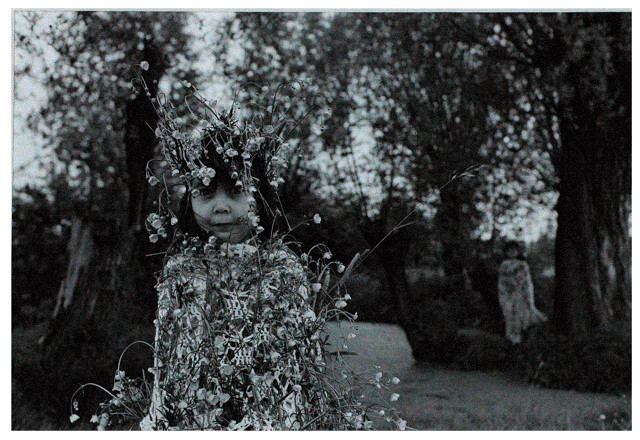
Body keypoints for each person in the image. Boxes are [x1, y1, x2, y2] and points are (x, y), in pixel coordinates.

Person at [497, 241, 547, 344]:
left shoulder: (523, 265)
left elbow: (527, 281)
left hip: (520, 293)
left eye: (514, 250)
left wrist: (527, 294)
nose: (512, 253)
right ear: (506, 252)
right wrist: (507, 288)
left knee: (522, 315)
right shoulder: (504, 265)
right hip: (508, 294)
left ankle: (523, 340)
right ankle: (512, 340)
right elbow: (502, 281)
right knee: (510, 314)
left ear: (518, 252)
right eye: (509, 251)